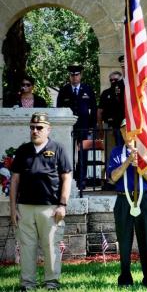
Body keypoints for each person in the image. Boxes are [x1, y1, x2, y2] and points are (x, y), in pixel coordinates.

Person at [9, 112, 72, 291]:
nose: (35, 131)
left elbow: (66, 177)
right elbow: (15, 180)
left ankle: (51, 284)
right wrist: (13, 208)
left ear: (48, 129)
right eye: (32, 128)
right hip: (25, 207)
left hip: (50, 207)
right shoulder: (23, 150)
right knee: (27, 248)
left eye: (39, 128)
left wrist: (63, 204)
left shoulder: (58, 148)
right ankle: (27, 285)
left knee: (51, 247)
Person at [107, 119, 147, 287]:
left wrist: (141, 167)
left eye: (130, 130)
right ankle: (125, 279)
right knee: (124, 241)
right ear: (121, 133)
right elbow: (113, 178)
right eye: (124, 130)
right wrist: (128, 161)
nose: (127, 133)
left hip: (145, 200)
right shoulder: (116, 152)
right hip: (123, 200)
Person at [56, 65, 97, 187]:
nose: (74, 77)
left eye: (77, 75)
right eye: (72, 75)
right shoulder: (64, 90)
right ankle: (68, 178)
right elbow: (59, 108)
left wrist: (92, 127)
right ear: (69, 76)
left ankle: (81, 179)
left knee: (83, 154)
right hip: (68, 128)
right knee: (68, 153)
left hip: (84, 127)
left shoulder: (88, 89)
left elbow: (93, 109)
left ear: (81, 75)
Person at [97, 70, 125, 147]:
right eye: (111, 80)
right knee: (110, 150)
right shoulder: (105, 93)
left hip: (123, 126)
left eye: (115, 80)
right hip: (109, 126)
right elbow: (99, 111)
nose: (113, 82)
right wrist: (100, 128)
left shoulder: (126, 92)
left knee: (125, 149)